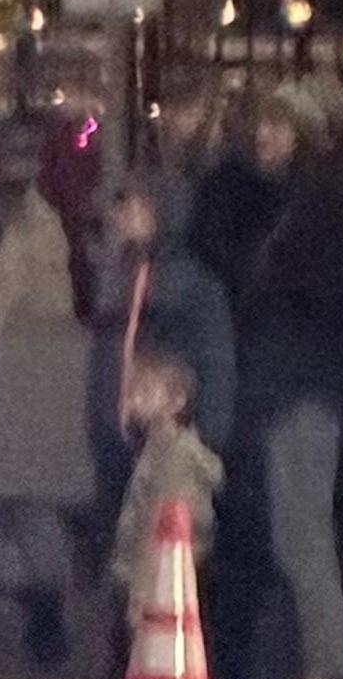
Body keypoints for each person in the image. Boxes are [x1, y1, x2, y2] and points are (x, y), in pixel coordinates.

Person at [229, 94, 343, 679]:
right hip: (295, 380)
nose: (264, 135)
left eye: (277, 124)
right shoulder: (299, 200)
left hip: (304, 384)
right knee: (293, 529)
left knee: (301, 531)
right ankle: (312, 661)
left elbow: (315, 295)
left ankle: (324, 665)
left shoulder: (318, 205)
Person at [0, 161, 98, 676]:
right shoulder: (65, 229)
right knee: (36, 510)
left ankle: (48, 620)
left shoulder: (32, 233)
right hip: (55, 381)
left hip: (32, 381)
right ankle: (48, 617)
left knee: (27, 507)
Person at [86, 156, 239, 534]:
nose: (125, 215)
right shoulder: (125, 274)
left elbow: (215, 363)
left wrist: (206, 438)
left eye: (135, 205)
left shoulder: (191, 285)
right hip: (125, 436)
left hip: (170, 439)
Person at [102, 338, 221, 679]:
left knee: (135, 651)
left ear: (175, 400)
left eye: (143, 392)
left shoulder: (169, 456)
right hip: (165, 569)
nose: (133, 400)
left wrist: (140, 587)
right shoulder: (159, 449)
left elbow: (159, 521)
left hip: (157, 572)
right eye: (131, 392)